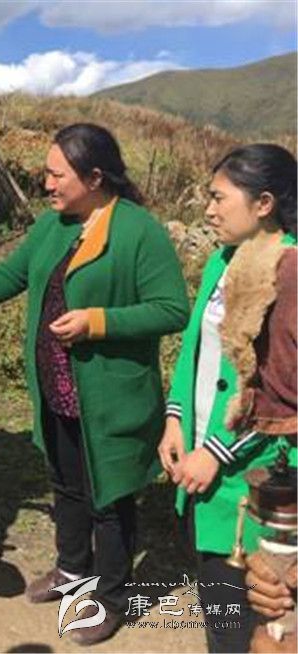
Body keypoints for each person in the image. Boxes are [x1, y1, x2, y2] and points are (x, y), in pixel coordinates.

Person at [0, 123, 189, 645]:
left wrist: (97, 321)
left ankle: (111, 597)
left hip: (110, 398)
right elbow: (11, 275)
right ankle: (72, 569)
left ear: (95, 177)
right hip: (58, 388)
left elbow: (173, 308)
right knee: (66, 484)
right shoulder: (53, 226)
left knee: (110, 498)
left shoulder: (138, 231)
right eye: (47, 173)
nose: (47, 184)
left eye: (57, 175)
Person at [158, 144, 297, 653]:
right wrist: (175, 419)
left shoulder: (288, 273)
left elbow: (284, 397)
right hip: (202, 468)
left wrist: (215, 452)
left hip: (258, 479)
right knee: (221, 614)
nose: (209, 210)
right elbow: (194, 350)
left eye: (219, 198)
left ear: (263, 203)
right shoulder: (224, 260)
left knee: (258, 624)